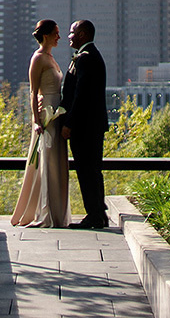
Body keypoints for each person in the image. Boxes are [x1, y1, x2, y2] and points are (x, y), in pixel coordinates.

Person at [10, 19, 70, 227]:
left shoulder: (51, 58)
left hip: (57, 112)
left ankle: (56, 210)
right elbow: (33, 91)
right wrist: (36, 120)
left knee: (56, 163)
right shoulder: (38, 58)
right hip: (46, 115)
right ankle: (44, 212)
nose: (59, 37)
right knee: (46, 162)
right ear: (46, 35)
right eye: (56, 33)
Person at [61, 19, 109, 228]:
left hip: (85, 127)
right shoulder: (89, 56)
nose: (69, 36)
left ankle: (95, 215)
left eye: (72, 32)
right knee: (92, 169)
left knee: (87, 169)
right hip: (92, 126)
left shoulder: (86, 58)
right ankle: (98, 213)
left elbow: (80, 95)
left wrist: (69, 123)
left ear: (82, 34)